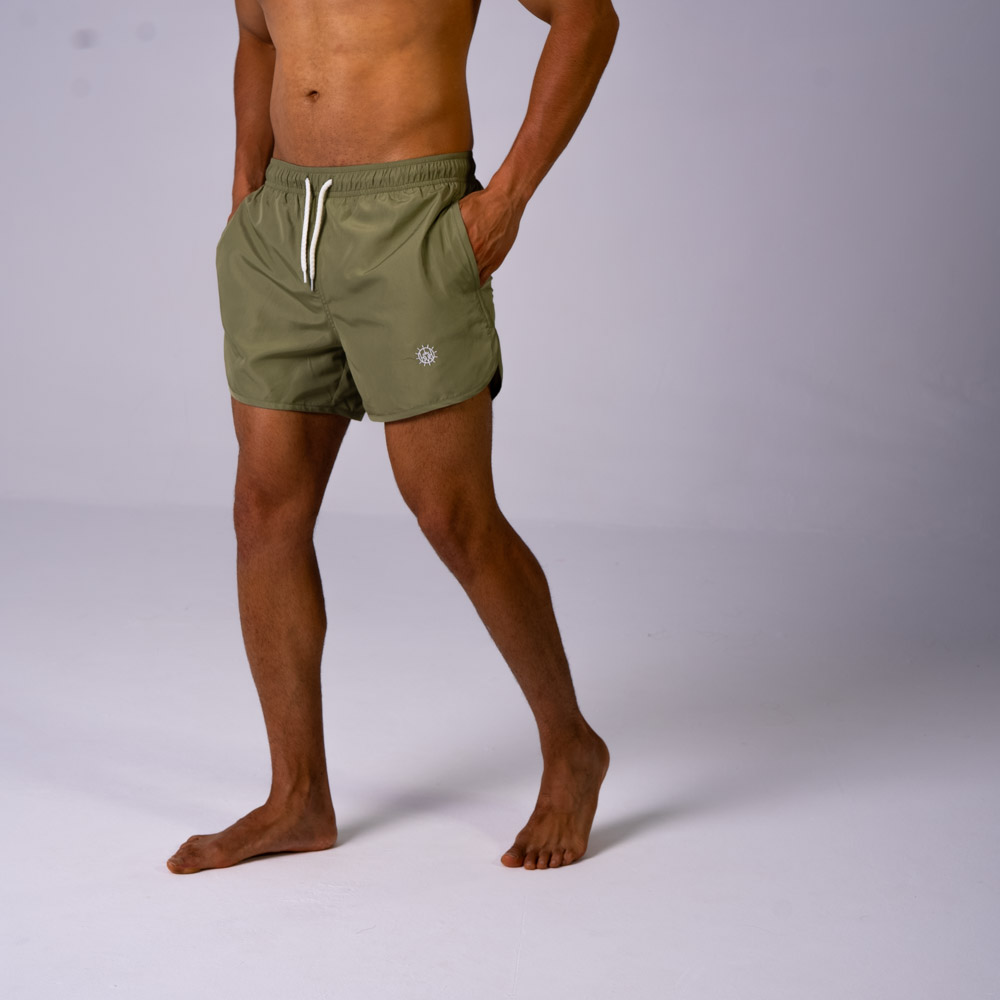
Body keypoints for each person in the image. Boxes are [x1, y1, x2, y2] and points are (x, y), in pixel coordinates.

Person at [167, 0, 618, 875]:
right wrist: (246, 184)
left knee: (453, 514)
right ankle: (298, 797)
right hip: (282, 228)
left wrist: (508, 198)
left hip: (410, 218)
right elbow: (257, 36)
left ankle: (571, 746)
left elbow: (585, 18)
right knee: (264, 511)